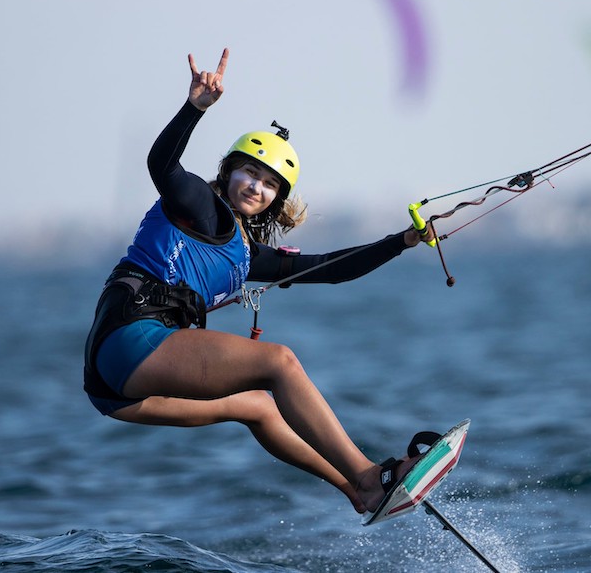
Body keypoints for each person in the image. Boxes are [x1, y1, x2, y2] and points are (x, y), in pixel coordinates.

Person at [83, 49, 436, 514]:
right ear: (229, 172)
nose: (256, 186)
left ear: (276, 200)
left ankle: (359, 492)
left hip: (113, 391)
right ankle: (371, 474)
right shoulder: (199, 203)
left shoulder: (246, 255)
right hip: (131, 338)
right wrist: (196, 108)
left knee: (260, 407)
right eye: (250, 172)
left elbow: (329, 268)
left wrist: (402, 241)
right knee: (281, 363)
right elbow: (162, 165)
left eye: (269, 183)